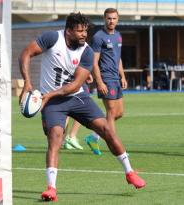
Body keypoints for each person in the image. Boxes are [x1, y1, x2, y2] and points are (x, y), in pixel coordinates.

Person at [18, 12, 146, 202]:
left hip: (75, 97)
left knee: (106, 129)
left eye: (85, 31)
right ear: (68, 31)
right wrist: (28, 82)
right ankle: (51, 188)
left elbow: (75, 86)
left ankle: (129, 172)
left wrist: (49, 95)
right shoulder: (52, 38)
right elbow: (26, 53)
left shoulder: (86, 51)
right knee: (55, 137)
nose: (84, 35)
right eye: (79, 31)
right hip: (52, 102)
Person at [84, 8, 127, 156]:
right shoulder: (98, 37)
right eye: (109, 18)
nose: (111, 21)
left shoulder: (118, 36)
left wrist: (123, 76)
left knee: (120, 113)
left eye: (114, 18)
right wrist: (99, 82)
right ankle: (114, 145)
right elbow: (94, 62)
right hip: (106, 78)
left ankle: (94, 136)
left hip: (116, 78)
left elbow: (118, 57)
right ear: (104, 19)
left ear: (118, 20)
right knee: (111, 111)